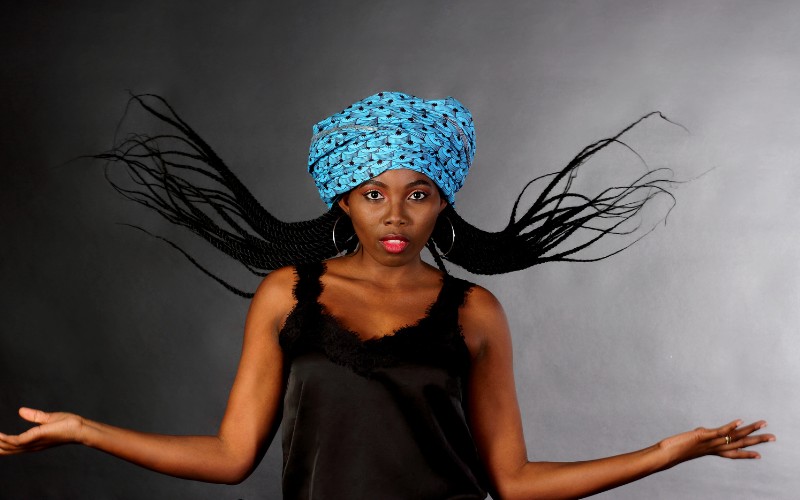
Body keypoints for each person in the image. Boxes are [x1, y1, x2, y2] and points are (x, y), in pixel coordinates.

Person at [0, 91, 774, 499]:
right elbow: (233, 456)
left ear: (445, 202)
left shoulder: (473, 312)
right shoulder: (286, 295)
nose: (396, 215)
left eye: (419, 193)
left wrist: (668, 454)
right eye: (373, 193)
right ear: (341, 199)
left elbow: (514, 481)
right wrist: (84, 430)